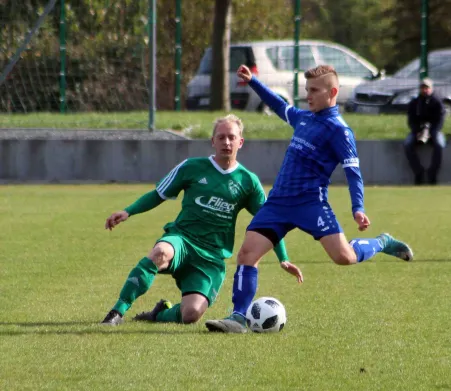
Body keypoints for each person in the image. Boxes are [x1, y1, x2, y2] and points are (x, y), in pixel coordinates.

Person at [205, 64, 414, 334]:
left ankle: (382, 242)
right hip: (279, 202)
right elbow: (279, 105)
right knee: (247, 254)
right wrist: (254, 82)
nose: (308, 96)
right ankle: (238, 317)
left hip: (310, 204)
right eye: (307, 90)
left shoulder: (340, 131)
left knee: (344, 257)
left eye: (314, 90)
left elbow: (353, 172)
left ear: (333, 92)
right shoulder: (304, 118)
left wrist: (358, 207)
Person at [100, 114, 303, 326]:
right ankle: (117, 312)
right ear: (212, 141)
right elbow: (158, 194)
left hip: (212, 258)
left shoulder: (248, 181)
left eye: (232, 137)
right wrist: (128, 211)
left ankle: (159, 314)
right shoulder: (191, 167)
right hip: (182, 240)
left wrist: (283, 258)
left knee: (191, 314)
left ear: (240, 142)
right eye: (221, 137)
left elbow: (268, 222)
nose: (226, 142)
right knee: (160, 253)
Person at [404, 77, 446, 185]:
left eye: (427, 88)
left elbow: (440, 120)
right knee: (408, 144)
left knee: (440, 144)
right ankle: (419, 172)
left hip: (434, 130)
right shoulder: (415, 103)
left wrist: (432, 132)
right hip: (418, 130)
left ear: (431, 89)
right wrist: (417, 131)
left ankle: (432, 173)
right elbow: (411, 120)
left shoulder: (437, 102)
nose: (425, 90)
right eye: (423, 88)